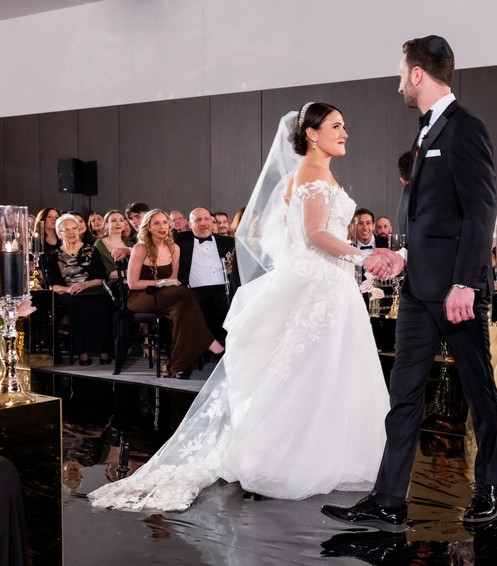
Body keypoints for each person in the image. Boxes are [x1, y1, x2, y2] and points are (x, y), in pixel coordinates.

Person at [89, 102, 391, 511]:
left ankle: (316, 450)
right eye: (336, 126)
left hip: (324, 281)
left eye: (344, 125)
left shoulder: (311, 173)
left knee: (314, 369)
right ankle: (296, 456)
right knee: (313, 370)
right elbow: (315, 235)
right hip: (321, 283)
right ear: (312, 133)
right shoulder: (313, 174)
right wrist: (363, 257)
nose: (345, 133)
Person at [322, 35, 497, 531]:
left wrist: (466, 282)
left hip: (457, 292)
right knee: (403, 394)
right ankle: (388, 499)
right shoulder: (426, 129)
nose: (399, 83)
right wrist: (402, 256)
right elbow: (434, 219)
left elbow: (480, 210)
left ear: (419, 74)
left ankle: (491, 488)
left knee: (478, 389)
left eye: (402, 73)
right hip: (419, 290)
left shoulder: (466, 127)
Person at [123, 209, 223, 379]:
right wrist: (159, 283)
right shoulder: (140, 248)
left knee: (181, 312)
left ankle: (178, 366)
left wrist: (166, 283)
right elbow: (133, 283)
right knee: (185, 293)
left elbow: (173, 280)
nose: (162, 226)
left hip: (167, 296)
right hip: (140, 297)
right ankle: (211, 342)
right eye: (156, 223)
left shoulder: (174, 248)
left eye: (165, 222)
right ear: (148, 227)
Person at [43, 214, 113, 365]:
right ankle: (82, 352)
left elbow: (100, 278)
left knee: (102, 304)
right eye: (66, 230)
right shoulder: (54, 255)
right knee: (78, 306)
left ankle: (104, 350)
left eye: (74, 228)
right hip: (68, 292)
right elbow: (52, 285)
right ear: (59, 233)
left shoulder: (91, 250)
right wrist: (69, 290)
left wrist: (84, 285)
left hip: (91, 289)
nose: (71, 232)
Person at [175, 207, 235, 344]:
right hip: (196, 290)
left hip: (223, 288)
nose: (203, 223)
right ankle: (205, 347)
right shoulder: (181, 240)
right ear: (190, 224)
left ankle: (229, 346)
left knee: (230, 307)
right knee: (198, 310)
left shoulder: (227, 242)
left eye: (207, 219)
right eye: (198, 220)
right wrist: (128, 249)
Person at [93, 210, 133, 291]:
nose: (118, 223)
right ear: (106, 224)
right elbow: (105, 273)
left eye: (121, 220)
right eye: (113, 220)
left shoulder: (130, 244)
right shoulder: (99, 244)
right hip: (113, 285)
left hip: (132, 282)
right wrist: (130, 273)